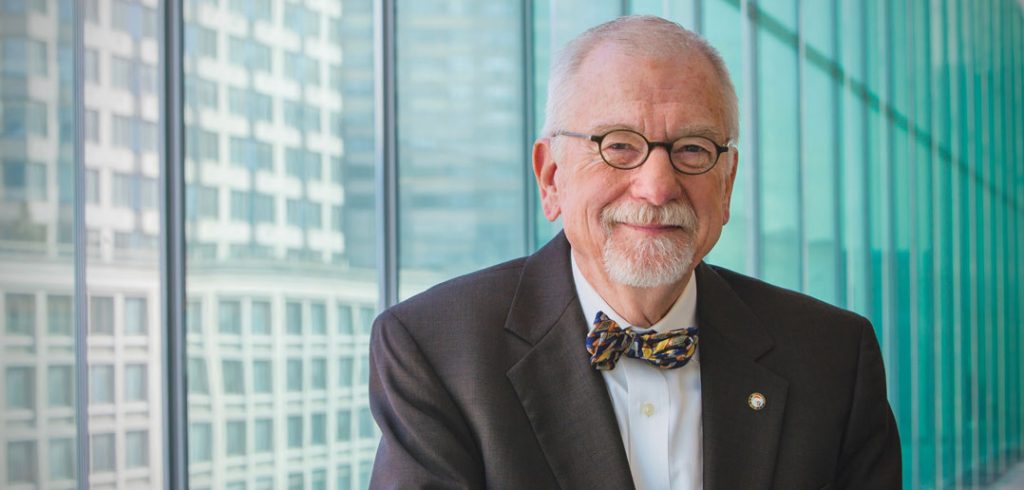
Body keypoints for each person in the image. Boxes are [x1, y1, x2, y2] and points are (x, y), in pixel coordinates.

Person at [369, 15, 901, 490]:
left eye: (692, 149)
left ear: (728, 182)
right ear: (551, 177)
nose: (657, 186)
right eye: (619, 145)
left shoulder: (832, 356)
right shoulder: (436, 351)